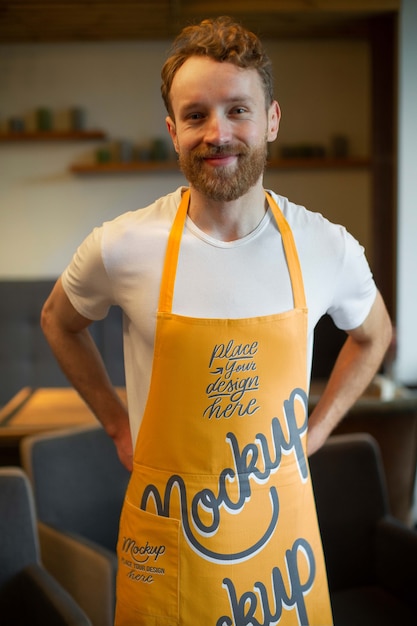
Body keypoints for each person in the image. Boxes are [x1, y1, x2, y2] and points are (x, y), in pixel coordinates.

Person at [41, 16, 392, 626]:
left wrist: (316, 430)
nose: (218, 133)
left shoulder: (325, 246)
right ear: (172, 130)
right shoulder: (121, 246)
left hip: (280, 554)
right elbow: (57, 320)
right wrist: (118, 424)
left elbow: (375, 334)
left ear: (272, 121)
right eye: (197, 115)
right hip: (169, 539)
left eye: (238, 110)